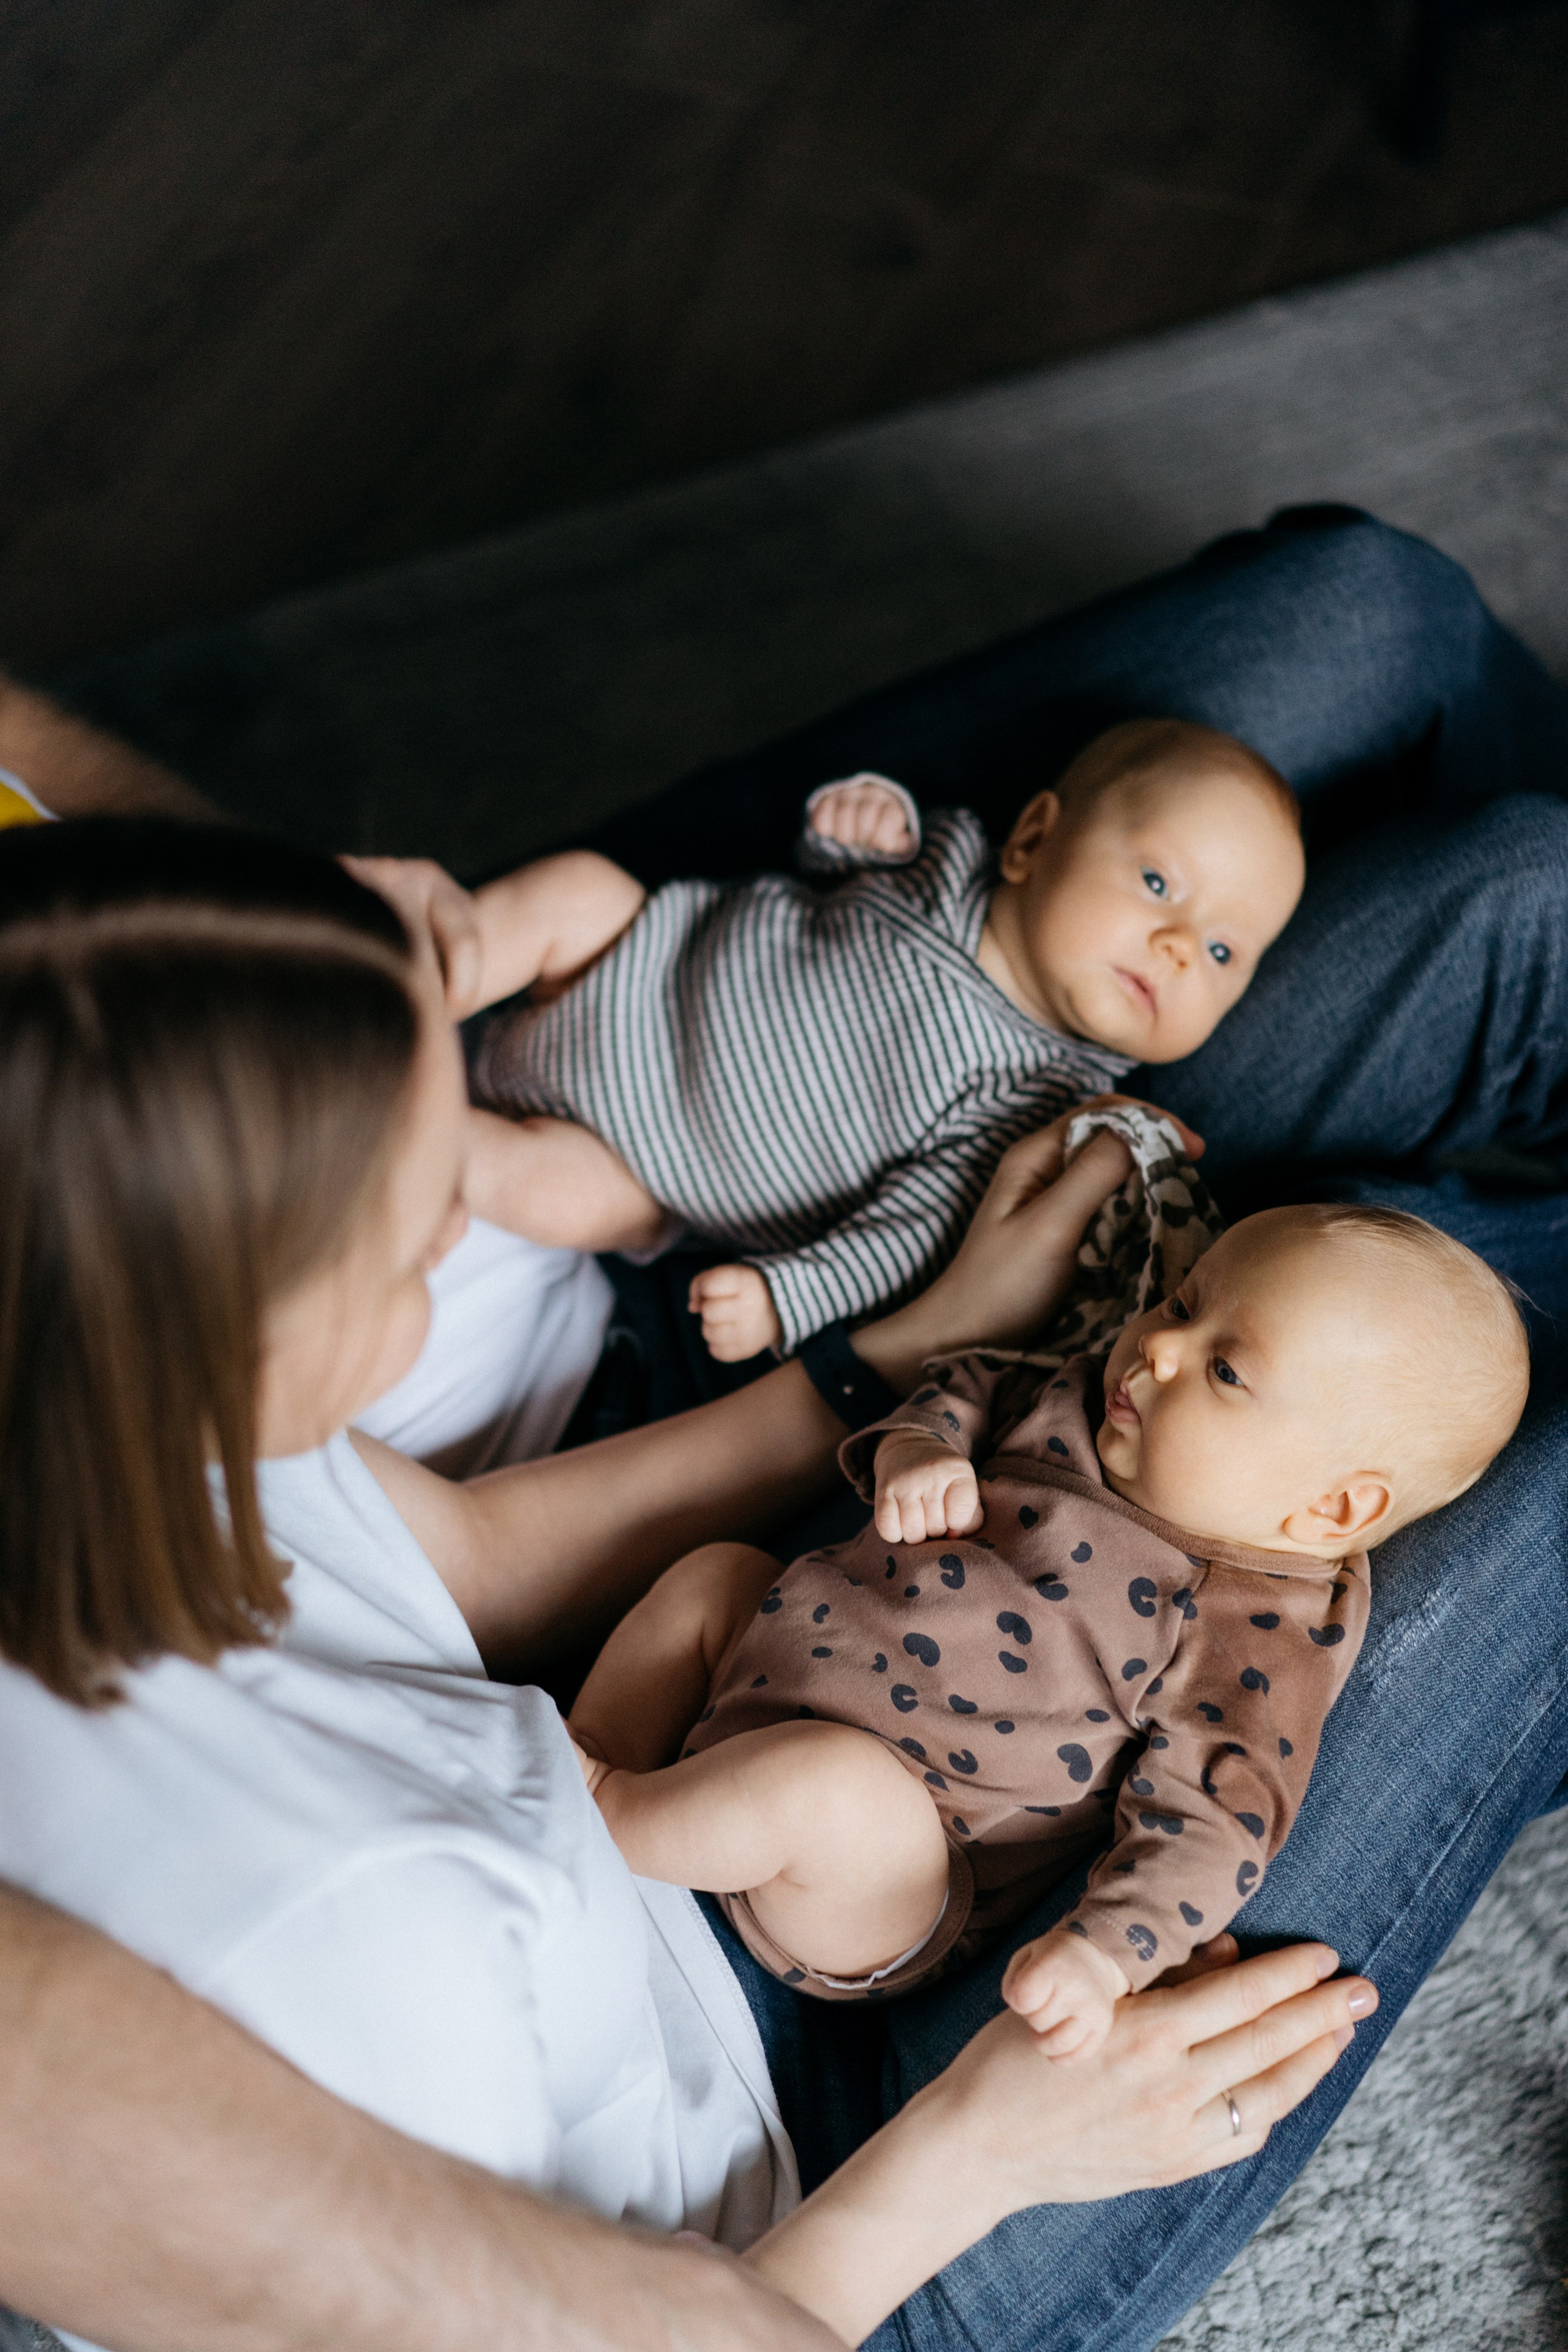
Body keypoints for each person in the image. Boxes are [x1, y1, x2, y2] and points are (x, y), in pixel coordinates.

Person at [0, 499, 1566, 2349]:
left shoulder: (112, 1437)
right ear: (210, 1328)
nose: (462, 1222)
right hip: (822, 2191)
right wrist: (983, 2143)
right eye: (419, 1229)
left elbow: (476, 1555)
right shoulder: (162, 2061)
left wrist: (893, 1354)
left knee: (1468, 840)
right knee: (1490, 1386)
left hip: (728, 1601)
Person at [572, 1204, 1526, 2051]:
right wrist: (919, 1446)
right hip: (772, 1663)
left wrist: (1106, 1952)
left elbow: (1215, 1820)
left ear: (1332, 1511)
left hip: (886, 1868)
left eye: (1225, 1370)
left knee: (828, 1791)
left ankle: (596, 1811)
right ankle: (594, 1743)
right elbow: (971, 1382)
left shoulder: (1250, 1624)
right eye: (1183, 1305)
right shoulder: (1086, 1398)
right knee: (717, 1578)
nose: (1159, 1348)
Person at [448, 717, 1302, 1362]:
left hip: (635, 1160)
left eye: (1224, 951)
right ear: (1035, 839)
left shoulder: (1048, 1108)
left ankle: (414, 1133)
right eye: (1159, 884)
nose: (1181, 946)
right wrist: (858, 819)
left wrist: (792, 1296)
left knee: (556, 1201)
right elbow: (822, 860)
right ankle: (396, 980)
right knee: (580, 890)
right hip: (637, 955)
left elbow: (909, 1237)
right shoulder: (945, 852)